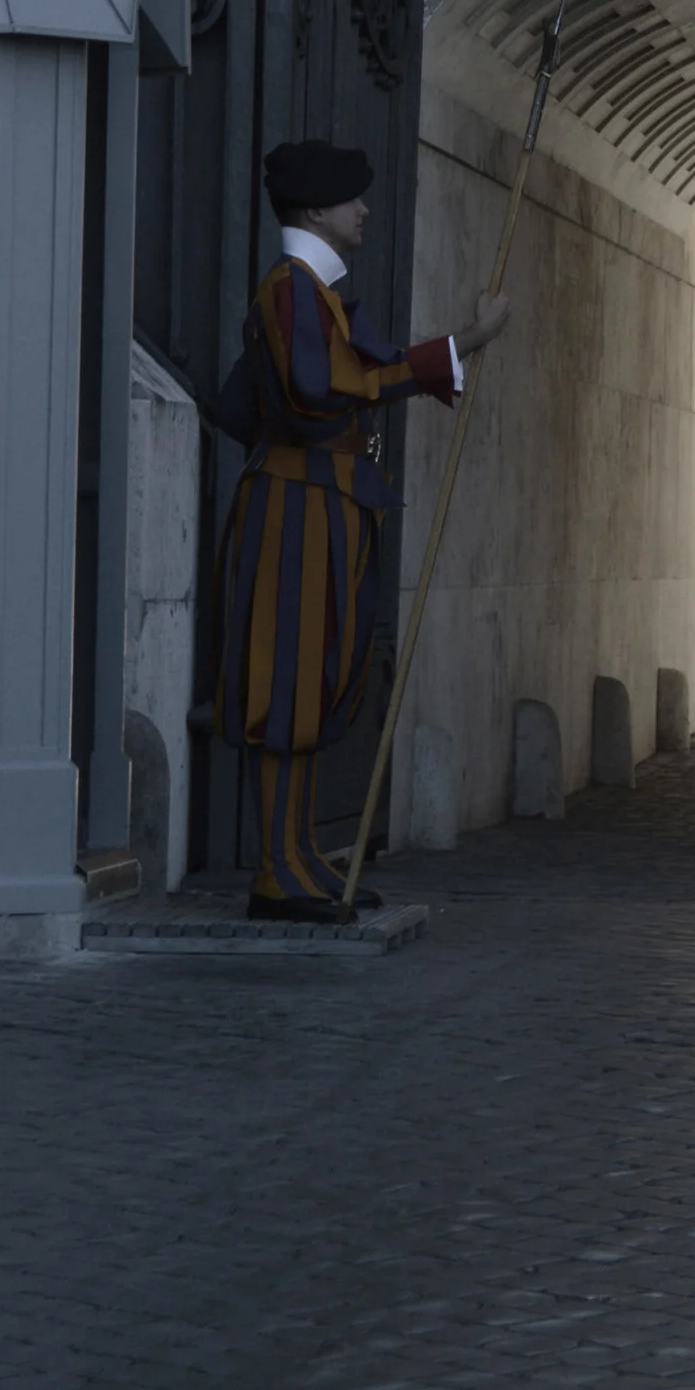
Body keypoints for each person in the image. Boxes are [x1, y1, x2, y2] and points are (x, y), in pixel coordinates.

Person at [213, 140, 510, 923]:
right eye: (351, 199)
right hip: (294, 505)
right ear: (316, 210)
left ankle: (299, 851)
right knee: (286, 686)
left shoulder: (314, 292)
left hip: (323, 499)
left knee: (314, 681)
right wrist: (466, 344)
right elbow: (326, 388)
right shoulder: (292, 292)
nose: (364, 211)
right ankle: (277, 868)